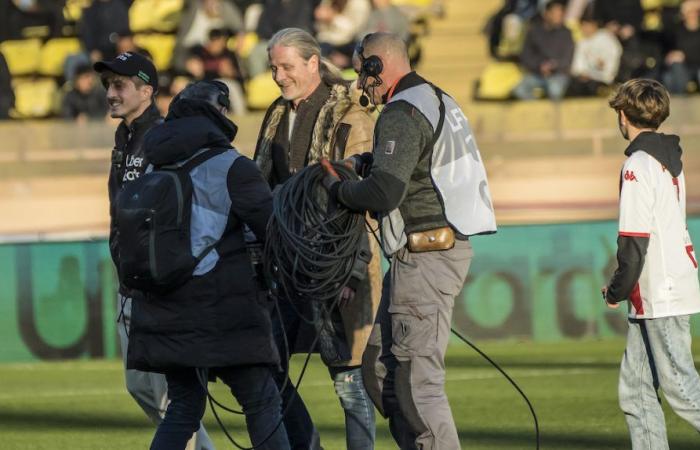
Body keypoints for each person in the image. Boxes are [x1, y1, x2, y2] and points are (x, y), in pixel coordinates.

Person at [323, 32, 496, 450]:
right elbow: (414, 164)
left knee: (418, 386)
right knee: (380, 369)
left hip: (426, 256)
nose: (361, 84)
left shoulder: (401, 110)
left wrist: (337, 189)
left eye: (363, 71)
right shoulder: (436, 97)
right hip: (431, 252)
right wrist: (366, 161)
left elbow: (384, 192)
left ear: (376, 66)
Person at [126, 80, 290, 450]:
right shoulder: (232, 166)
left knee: (183, 408)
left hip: (163, 307)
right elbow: (275, 234)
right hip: (222, 309)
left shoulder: (154, 161)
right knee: (261, 400)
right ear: (218, 115)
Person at [253, 27, 380, 450]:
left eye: (286, 66)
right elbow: (261, 188)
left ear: (312, 62)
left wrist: (352, 272)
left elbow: (360, 203)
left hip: (340, 266)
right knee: (264, 364)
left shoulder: (351, 116)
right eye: (274, 67)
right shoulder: (275, 115)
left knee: (349, 382)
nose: (278, 76)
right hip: (286, 266)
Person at [93, 51, 215, 450]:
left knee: (168, 398)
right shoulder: (125, 136)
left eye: (119, 85)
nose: (110, 93)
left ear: (146, 90)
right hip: (132, 280)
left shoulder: (161, 137)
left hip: (156, 285)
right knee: (144, 388)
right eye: (108, 85)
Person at [603, 78, 700, 450]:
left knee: (682, 391)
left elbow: (634, 240)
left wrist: (617, 289)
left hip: (660, 292)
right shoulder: (667, 157)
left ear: (623, 115)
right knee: (637, 391)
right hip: (664, 289)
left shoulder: (638, 164)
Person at [513, 0, 574, 100]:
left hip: (558, 74)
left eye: (560, 13)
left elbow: (567, 59)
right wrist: (540, 65)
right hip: (537, 73)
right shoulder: (533, 32)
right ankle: (536, 112)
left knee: (555, 90)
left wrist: (553, 65)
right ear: (546, 14)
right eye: (555, 13)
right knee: (520, 90)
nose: (559, 17)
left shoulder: (566, 33)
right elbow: (525, 55)